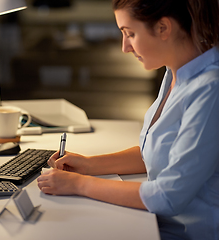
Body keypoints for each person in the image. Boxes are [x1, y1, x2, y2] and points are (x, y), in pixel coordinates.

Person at [37, 0, 219, 239]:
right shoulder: (174, 72)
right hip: (156, 224)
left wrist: (79, 185)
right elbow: (158, 153)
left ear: (163, 28)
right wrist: (89, 165)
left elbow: (167, 197)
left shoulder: (209, 90)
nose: (125, 47)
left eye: (130, 34)